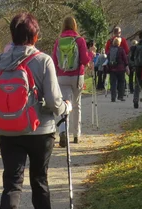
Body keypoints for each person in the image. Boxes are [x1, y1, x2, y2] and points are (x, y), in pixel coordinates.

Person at [0, 12, 70, 209]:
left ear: (13, 35)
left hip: (8, 131)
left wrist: (0, 113)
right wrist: (67, 107)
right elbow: (55, 101)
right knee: (39, 178)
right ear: (35, 36)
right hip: (40, 130)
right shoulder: (43, 60)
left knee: (12, 183)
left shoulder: (1, 60)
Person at [52, 17, 92, 146]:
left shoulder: (59, 41)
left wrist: (58, 71)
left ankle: (63, 131)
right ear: (75, 26)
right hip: (77, 77)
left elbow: (54, 60)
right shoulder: (80, 40)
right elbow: (85, 60)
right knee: (76, 105)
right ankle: (76, 134)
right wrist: (91, 55)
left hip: (62, 76)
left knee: (64, 104)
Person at [107, 37, 128, 102]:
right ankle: (120, 96)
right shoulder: (121, 50)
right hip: (121, 68)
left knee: (113, 83)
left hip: (112, 69)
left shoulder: (110, 50)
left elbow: (108, 58)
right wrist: (127, 66)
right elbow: (125, 59)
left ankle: (113, 97)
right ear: (119, 43)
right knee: (121, 82)